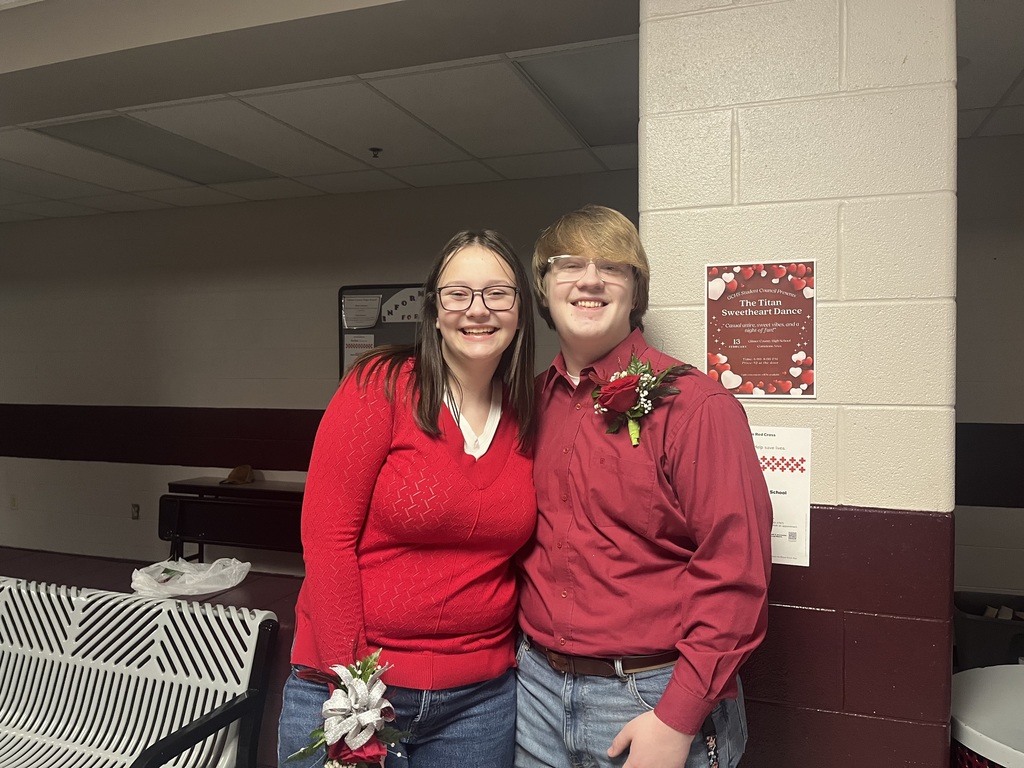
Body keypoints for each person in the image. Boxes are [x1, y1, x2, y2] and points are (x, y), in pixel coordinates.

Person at [515, 205, 772, 768]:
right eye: (568, 265)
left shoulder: (698, 407)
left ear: (636, 291)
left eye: (613, 266)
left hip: (649, 695)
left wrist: (678, 716)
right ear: (543, 287)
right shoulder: (526, 404)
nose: (589, 279)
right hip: (533, 691)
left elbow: (736, 570)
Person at [279, 230, 537, 768]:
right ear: (434, 311)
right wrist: (354, 684)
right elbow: (326, 538)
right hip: (355, 688)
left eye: (498, 293)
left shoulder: (529, 413)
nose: (478, 310)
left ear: (520, 310)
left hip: (481, 700)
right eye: (458, 294)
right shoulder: (381, 384)